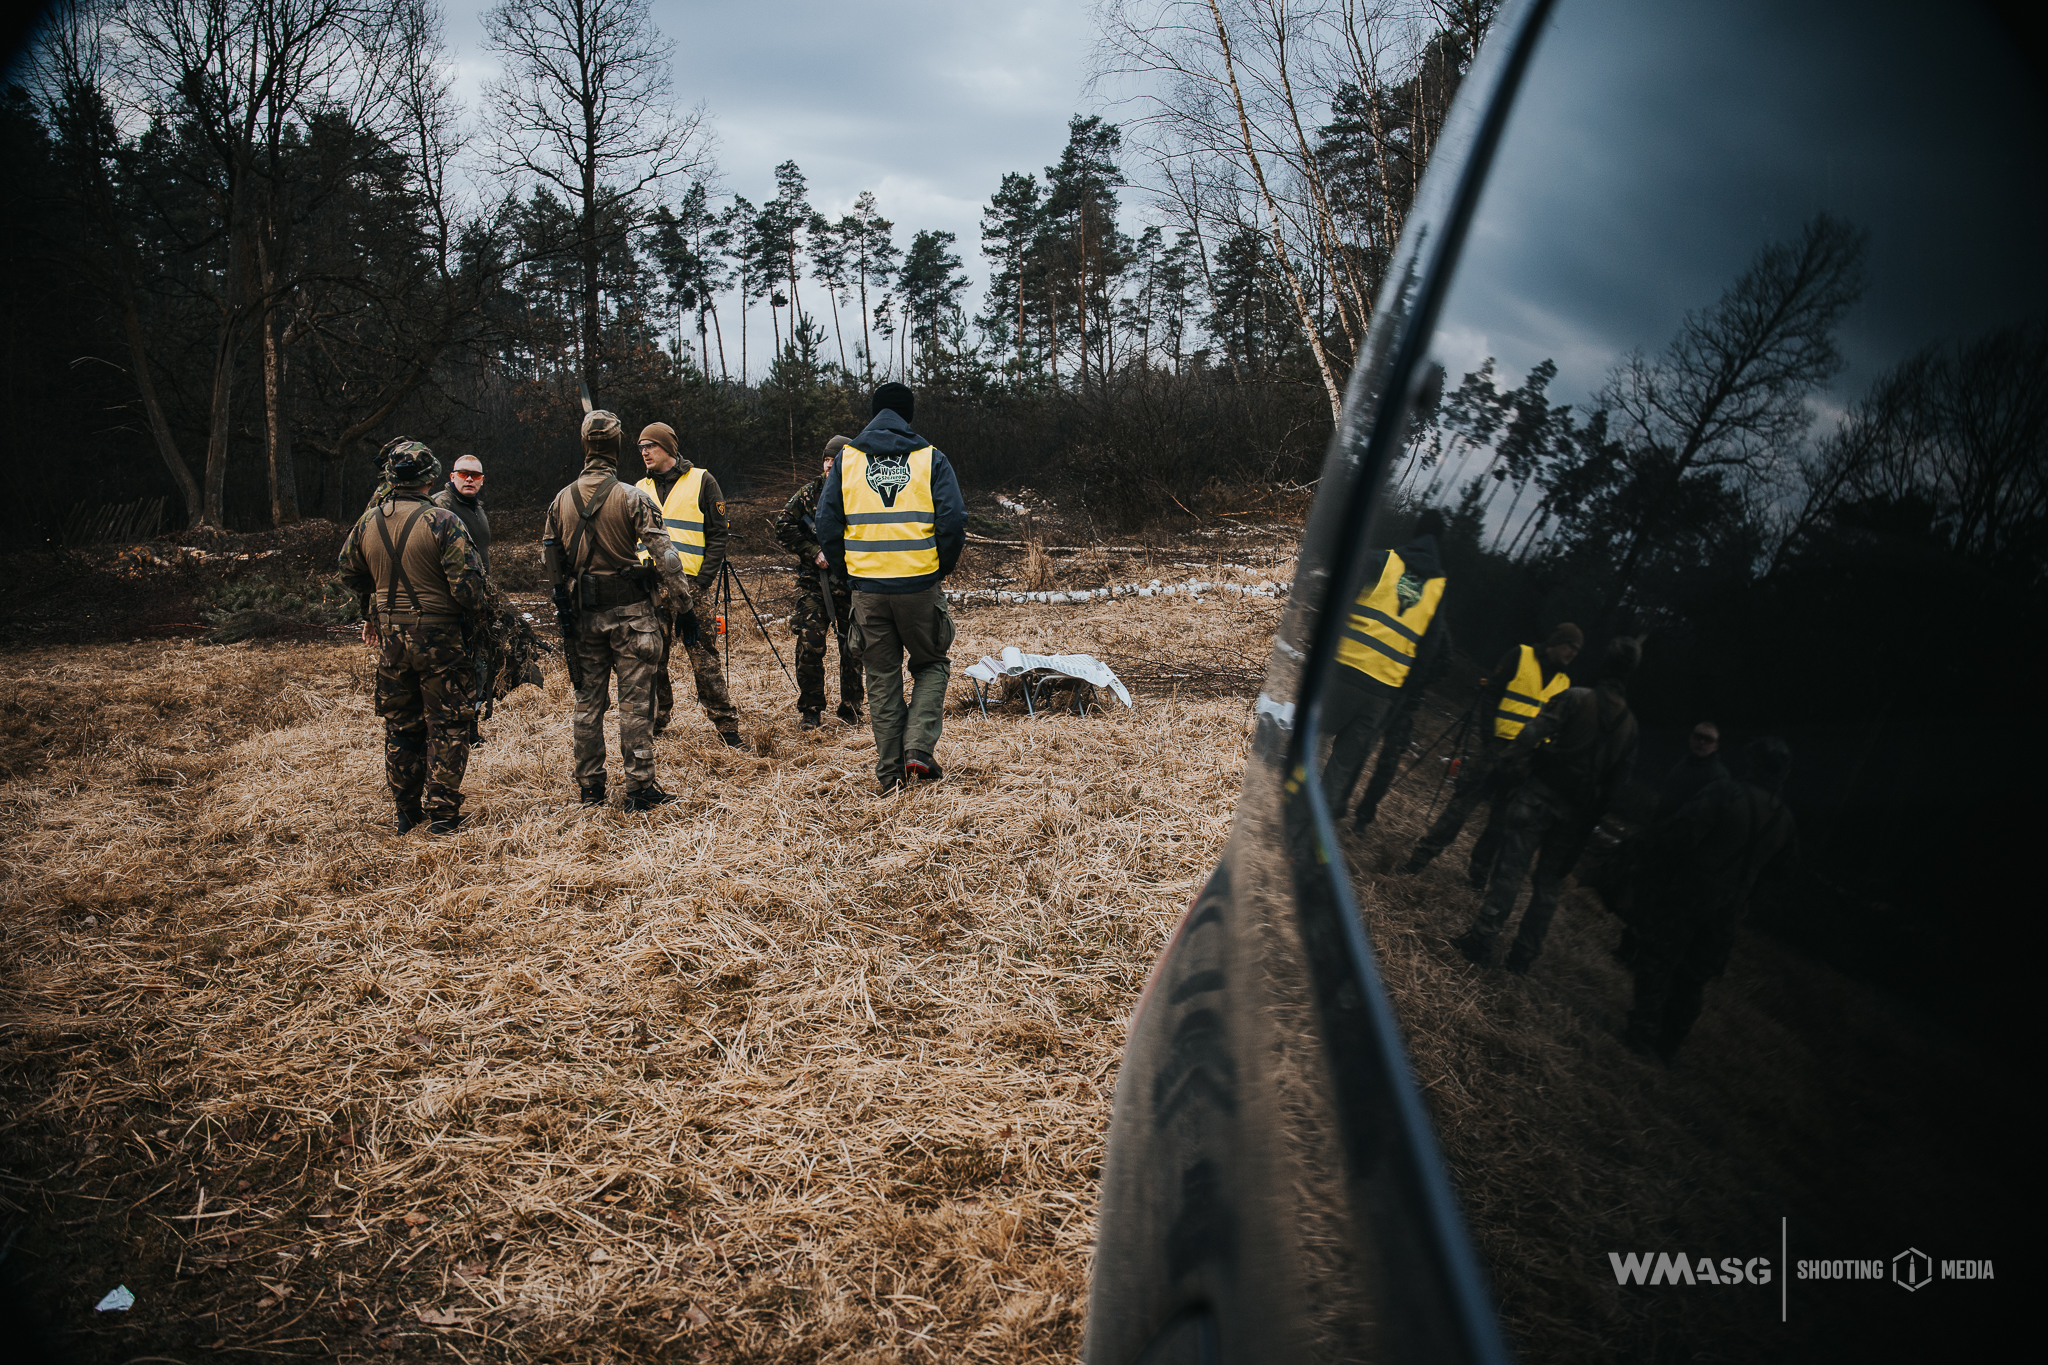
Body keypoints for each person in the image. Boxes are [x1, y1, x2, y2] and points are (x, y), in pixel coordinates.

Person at [1450, 635, 1642, 974]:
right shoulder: (1630, 727)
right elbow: (1617, 787)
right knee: (1548, 887)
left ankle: (1482, 939)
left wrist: (1505, 763)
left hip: (1539, 798)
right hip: (1576, 815)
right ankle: (1522, 957)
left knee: (1510, 870)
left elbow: (1529, 734)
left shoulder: (1576, 698)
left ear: (1604, 665)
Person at [814, 383, 967, 793]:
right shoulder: (929, 458)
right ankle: (918, 749)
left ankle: (888, 775)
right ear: (908, 415)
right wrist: (938, 568)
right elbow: (953, 521)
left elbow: (826, 525)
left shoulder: (846, 460)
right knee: (932, 663)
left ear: (873, 413)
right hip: (919, 585)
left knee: (881, 678)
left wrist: (852, 574)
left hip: (868, 590)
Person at [543, 410, 697, 811]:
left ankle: (590, 788)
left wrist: (567, 606)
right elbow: (668, 558)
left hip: (584, 618)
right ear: (616, 447)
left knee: (587, 704)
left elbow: (552, 561)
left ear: (584, 446)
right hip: (631, 617)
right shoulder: (633, 496)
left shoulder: (560, 501)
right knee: (635, 704)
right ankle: (640, 788)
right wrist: (684, 605)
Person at [337, 439, 488, 835]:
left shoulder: (368, 522)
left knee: (401, 726)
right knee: (449, 725)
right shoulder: (442, 520)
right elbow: (470, 592)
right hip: (440, 639)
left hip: (390, 641)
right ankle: (443, 816)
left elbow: (347, 572)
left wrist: (383, 588)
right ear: (431, 477)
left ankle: (406, 814)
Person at [1623, 738, 1799, 1062]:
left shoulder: (1726, 792)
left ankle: (1641, 1034)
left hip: (1690, 893)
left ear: (1753, 763)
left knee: (1658, 960)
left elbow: (1682, 834)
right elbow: (1780, 874)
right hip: (1729, 908)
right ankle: (1668, 1045)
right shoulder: (1784, 820)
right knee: (1694, 976)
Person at [1398, 622, 1581, 881]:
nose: (1573, 653)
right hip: (1495, 748)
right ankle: (1418, 860)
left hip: (1525, 761)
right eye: (1570, 646)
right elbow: (1491, 696)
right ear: (1557, 642)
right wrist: (1488, 741)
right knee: (1459, 808)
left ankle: (1477, 877)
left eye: (1577, 650)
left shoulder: (1565, 683)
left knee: (1500, 825)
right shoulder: (1520, 655)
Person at [1318, 510, 1450, 821]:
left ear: (1415, 533)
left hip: (1344, 672)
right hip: (1383, 694)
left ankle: (1278, 796)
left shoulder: (1380, 560)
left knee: (1307, 734)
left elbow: (1337, 602)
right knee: (1342, 766)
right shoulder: (1438, 589)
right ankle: (1311, 829)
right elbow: (1429, 650)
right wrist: (1404, 695)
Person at [634, 422, 742, 747]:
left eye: (649, 445)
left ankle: (728, 729)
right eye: (640, 447)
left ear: (667, 447)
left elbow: (719, 534)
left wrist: (704, 580)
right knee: (650, 658)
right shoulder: (638, 487)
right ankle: (655, 723)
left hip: (692, 588)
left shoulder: (702, 480)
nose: (644, 452)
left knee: (704, 658)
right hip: (650, 589)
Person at [773, 434, 864, 730]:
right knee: (809, 646)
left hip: (852, 584)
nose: (829, 464)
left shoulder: (860, 493)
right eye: (826, 458)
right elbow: (783, 525)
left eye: (835, 459)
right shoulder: (809, 493)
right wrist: (814, 552)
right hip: (815, 584)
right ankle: (810, 709)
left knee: (852, 649)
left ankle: (851, 707)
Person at [1351, 619, 1455, 828]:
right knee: (1356, 749)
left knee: (1387, 765)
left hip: (1404, 704)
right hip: (1381, 691)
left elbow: (1445, 662)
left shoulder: (1436, 626)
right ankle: (1337, 803)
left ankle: (1363, 817)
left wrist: (1418, 677)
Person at [433, 455, 490, 573]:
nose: (469, 479)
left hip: (476, 586)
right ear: (452, 477)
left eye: (475, 475)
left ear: (482, 480)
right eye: (463, 474)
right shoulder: (440, 506)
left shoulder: (477, 507)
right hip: (451, 587)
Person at [1657, 720, 1728, 815]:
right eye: (1698, 736)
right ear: (1691, 738)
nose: (1702, 742)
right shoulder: (1683, 763)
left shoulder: (1718, 776)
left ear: (1715, 746)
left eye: (1708, 739)